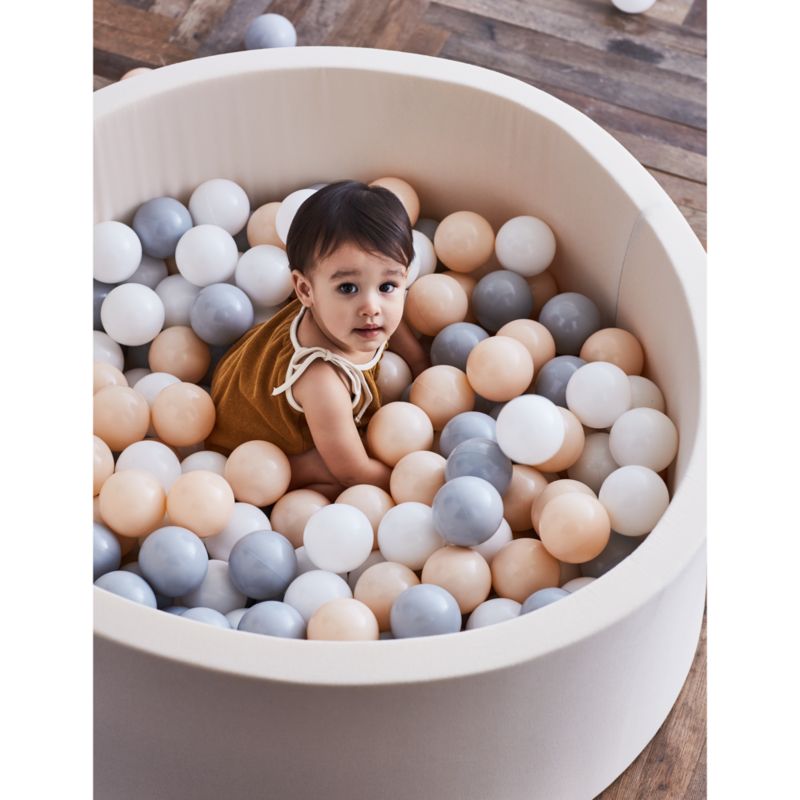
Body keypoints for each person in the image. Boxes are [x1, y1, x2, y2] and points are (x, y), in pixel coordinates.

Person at [207, 180, 430, 500]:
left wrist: (422, 364)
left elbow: (398, 324)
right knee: (335, 477)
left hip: (253, 375)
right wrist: (412, 483)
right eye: (348, 288)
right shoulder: (322, 379)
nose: (372, 307)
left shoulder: (348, 317)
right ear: (305, 290)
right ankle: (304, 468)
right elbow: (354, 471)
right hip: (251, 443)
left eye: (388, 286)